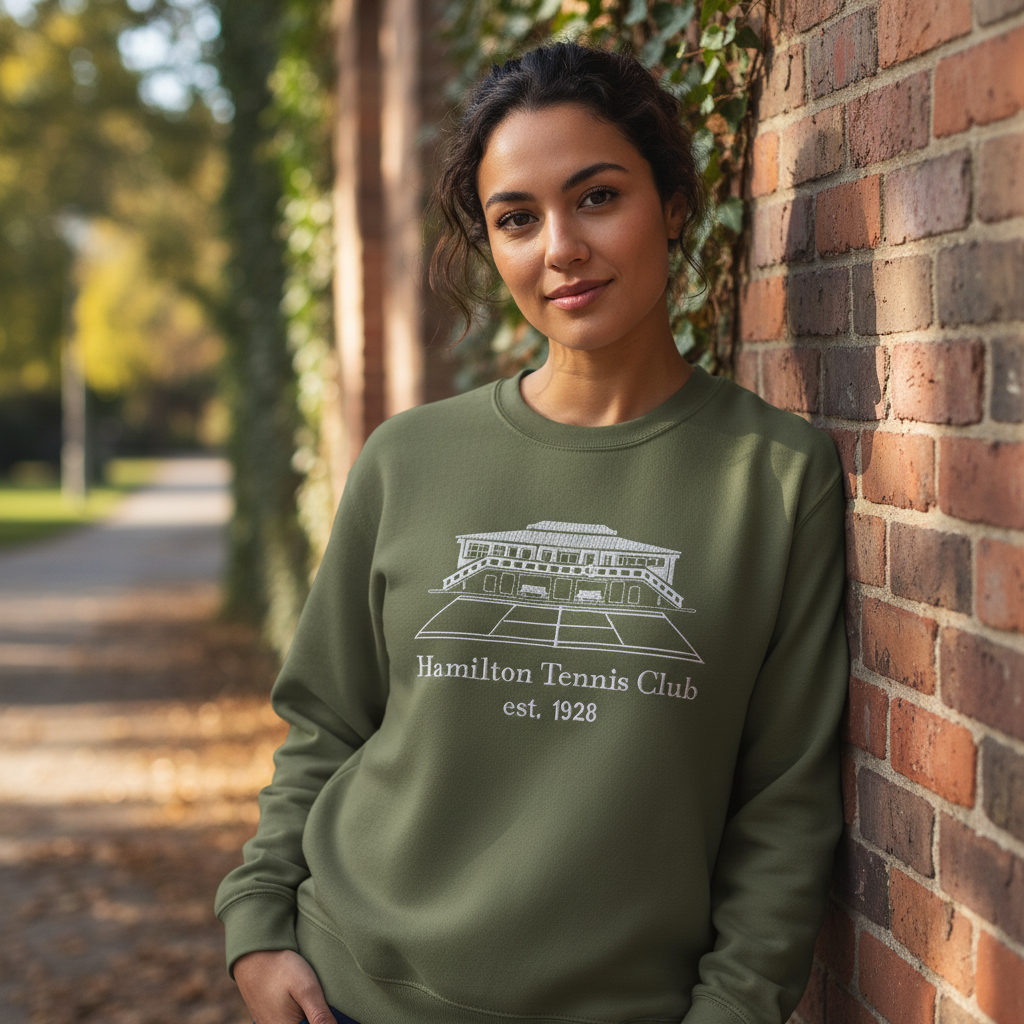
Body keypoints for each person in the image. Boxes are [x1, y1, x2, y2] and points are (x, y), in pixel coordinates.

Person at [216, 42, 849, 1024]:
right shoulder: (408, 460)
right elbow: (327, 726)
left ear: (673, 204)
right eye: (517, 218)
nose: (559, 246)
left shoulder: (771, 476)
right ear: (492, 246)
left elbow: (784, 797)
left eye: (596, 196)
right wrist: (257, 925)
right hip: (351, 990)